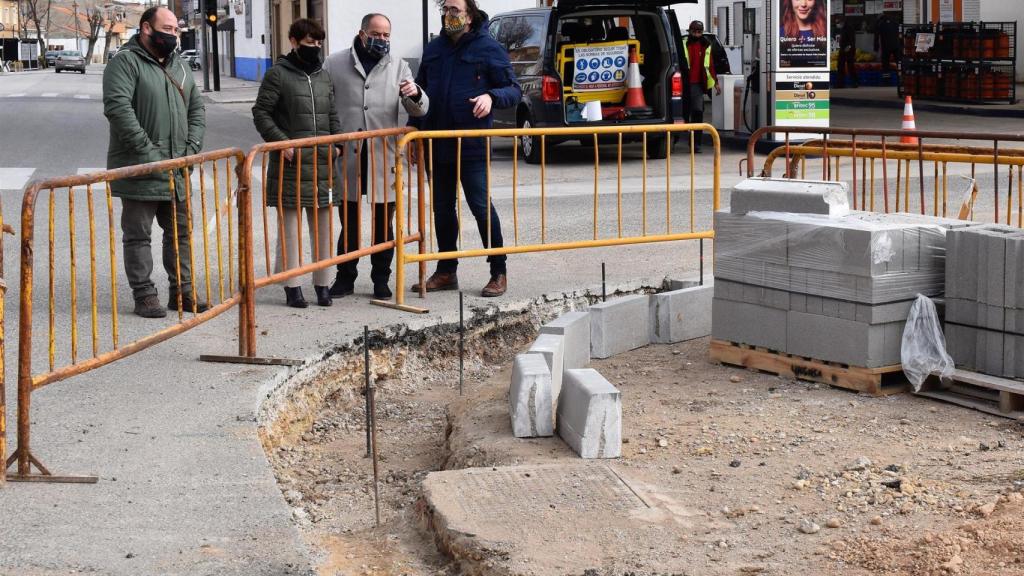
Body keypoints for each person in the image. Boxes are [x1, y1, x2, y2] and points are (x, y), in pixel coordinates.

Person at [410, 0, 521, 297]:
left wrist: (491, 96)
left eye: (455, 10)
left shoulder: (488, 47)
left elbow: (513, 90)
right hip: (436, 141)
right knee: (442, 208)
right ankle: (447, 271)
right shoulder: (434, 49)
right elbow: (419, 92)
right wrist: (413, 128)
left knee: (480, 206)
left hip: (471, 145)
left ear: (469, 16)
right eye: (445, 10)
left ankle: (499, 270)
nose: (449, 15)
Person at [103, 6, 207, 318]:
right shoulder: (124, 62)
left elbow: (197, 111)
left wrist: (190, 149)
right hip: (141, 168)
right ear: (147, 28)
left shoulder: (181, 66)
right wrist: (149, 156)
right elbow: (118, 109)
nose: (174, 35)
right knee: (138, 234)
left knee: (181, 233)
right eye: (169, 29)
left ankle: (183, 291)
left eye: (177, 30)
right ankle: (144, 293)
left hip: (177, 166)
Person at [325, 13, 429, 300]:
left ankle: (381, 279)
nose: (382, 39)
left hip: (384, 156)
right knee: (350, 220)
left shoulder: (399, 66)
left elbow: (420, 109)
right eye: (376, 34)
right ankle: (345, 277)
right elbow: (324, 104)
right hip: (349, 154)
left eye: (386, 35)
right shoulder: (334, 64)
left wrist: (414, 93)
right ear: (362, 33)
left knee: (384, 222)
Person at [252, 18, 342, 308]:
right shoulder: (277, 74)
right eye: (308, 43)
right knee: (290, 229)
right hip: (290, 165)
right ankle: (293, 287)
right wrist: (282, 142)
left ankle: (323, 285)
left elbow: (332, 115)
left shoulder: (324, 76)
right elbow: (261, 112)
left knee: (324, 228)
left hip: (322, 164)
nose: (314, 48)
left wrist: (338, 144)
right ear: (293, 41)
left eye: (318, 43)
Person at [681, 21, 720, 154]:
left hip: (698, 84)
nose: (697, 34)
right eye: (694, 31)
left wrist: (716, 82)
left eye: (699, 31)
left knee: (697, 112)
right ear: (690, 31)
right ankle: (676, 139)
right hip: (683, 83)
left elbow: (711, 65)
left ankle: (695, 144)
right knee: (683, 114)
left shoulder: (706, 45)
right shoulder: (683, 43)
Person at [836, 16, 859, 88]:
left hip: (849, 50)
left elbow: (852, 40)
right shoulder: (842, 28)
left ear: (842, 22)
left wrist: (849, 47)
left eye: (838, 22)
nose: (837, 24)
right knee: (840, 66)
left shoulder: (849, 28)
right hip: (843, 49)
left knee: (850, 66)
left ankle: (855, 82)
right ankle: (840, 83)